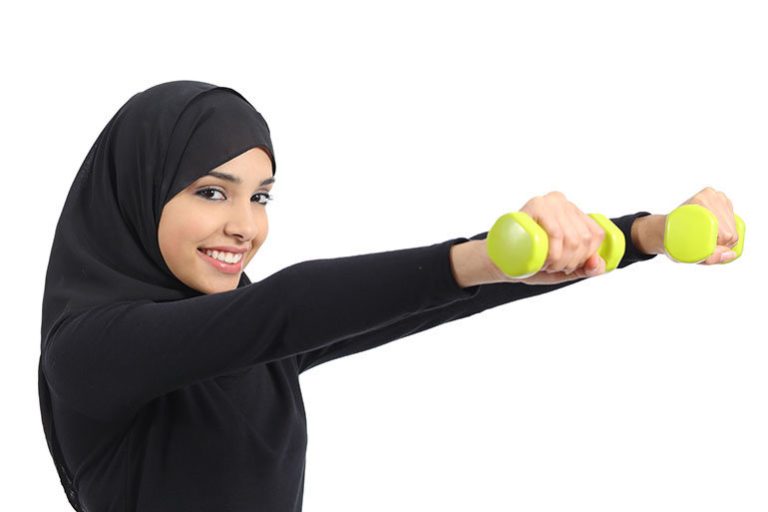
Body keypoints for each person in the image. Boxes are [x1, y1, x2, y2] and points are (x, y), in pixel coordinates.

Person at [39, 80, 669, 512]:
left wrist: (645, 235)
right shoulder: (87, 351)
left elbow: (436, 296)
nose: (245, 225)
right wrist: (482, 259)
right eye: (212, 192)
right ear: (138, 192)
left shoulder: (251, 341)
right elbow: (286, 308)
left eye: (260, 197)